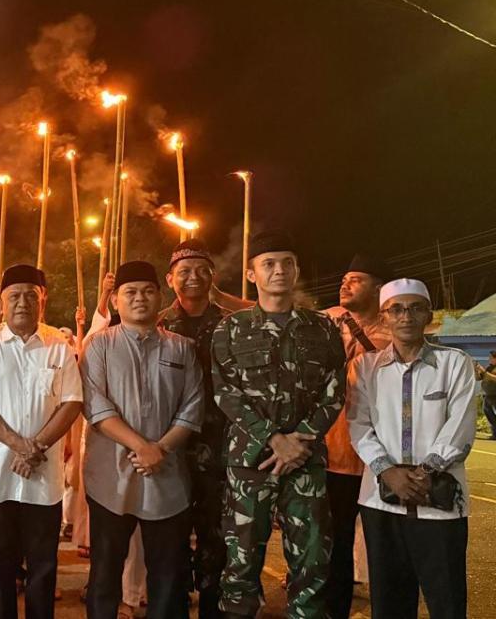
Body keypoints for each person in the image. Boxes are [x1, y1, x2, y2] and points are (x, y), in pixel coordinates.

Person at [212, 231, 347, 619]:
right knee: (239, 564)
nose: (279, 270)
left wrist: (298, 443)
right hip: (249, 463)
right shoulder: (231, 329)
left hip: (306, 461)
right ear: (252, 274)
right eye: (268, 263)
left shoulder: (321, 328)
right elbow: (226, 393)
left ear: (297, 270)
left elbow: (334, 392)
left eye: (287, 262)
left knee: (311, 563)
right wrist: (274, 439)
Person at [0, 264, 83, 619]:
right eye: (14, 295)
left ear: (42, 301)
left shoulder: (59, 348)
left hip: (42, 475)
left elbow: (72, 402)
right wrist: (17, 443)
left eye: (32, 295)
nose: (23, 302)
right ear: (1, 302)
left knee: (43, 561)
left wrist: (37, 446)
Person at [80, 260, 202, 619]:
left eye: (148, 291)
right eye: (130, 292)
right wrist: (141, 447)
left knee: (167, 574)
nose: (139, 298)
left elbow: (192, 406)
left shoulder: (182, 348)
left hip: (167, 474)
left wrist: (160, 449)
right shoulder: (98, 346)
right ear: (115, 300)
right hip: (110, 477)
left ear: (160, 296)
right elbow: (95, 405)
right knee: (105, 573)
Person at [349, 278, 474, 618]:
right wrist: (388, 472)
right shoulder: (365, 367)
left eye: (415, 308)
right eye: (397, 309)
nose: (406, 316)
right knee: (389, 603)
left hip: (441, 503)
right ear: (384, 317)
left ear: (428, 315)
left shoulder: (455, 363)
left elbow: (460, 427)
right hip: (380, 504)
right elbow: (358, 425)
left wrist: (424, 472)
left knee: (446, 601)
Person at [159, 239, 232, 618]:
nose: (193, 277)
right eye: (184, 271)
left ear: (212, 277)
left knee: (215, 537)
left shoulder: (232, 325)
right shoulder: (156, 325)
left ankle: (211, 608)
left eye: (201, 270)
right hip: (168, 448)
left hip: (219, 449)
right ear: (171, 279)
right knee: (169, 538)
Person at [320, 253, 392, 618]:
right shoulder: (329, 319)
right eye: (344, 278)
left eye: (357, 279)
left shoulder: (395, 327)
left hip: (384, 455)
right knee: (338, 539)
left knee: (385, 542)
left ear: (378, 289)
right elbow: (270, 309)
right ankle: (336, 611)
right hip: (337, 453)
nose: (345, 284)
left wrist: (356, 331)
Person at [480, 351, 496, 439]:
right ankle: (495, 433)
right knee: (489, 414)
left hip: (495, 395)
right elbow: (480, 377)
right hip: (488, 395)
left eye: (491, 358)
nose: (489, 359)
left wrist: (485, 373)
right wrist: (478, 371)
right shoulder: (489, 368)